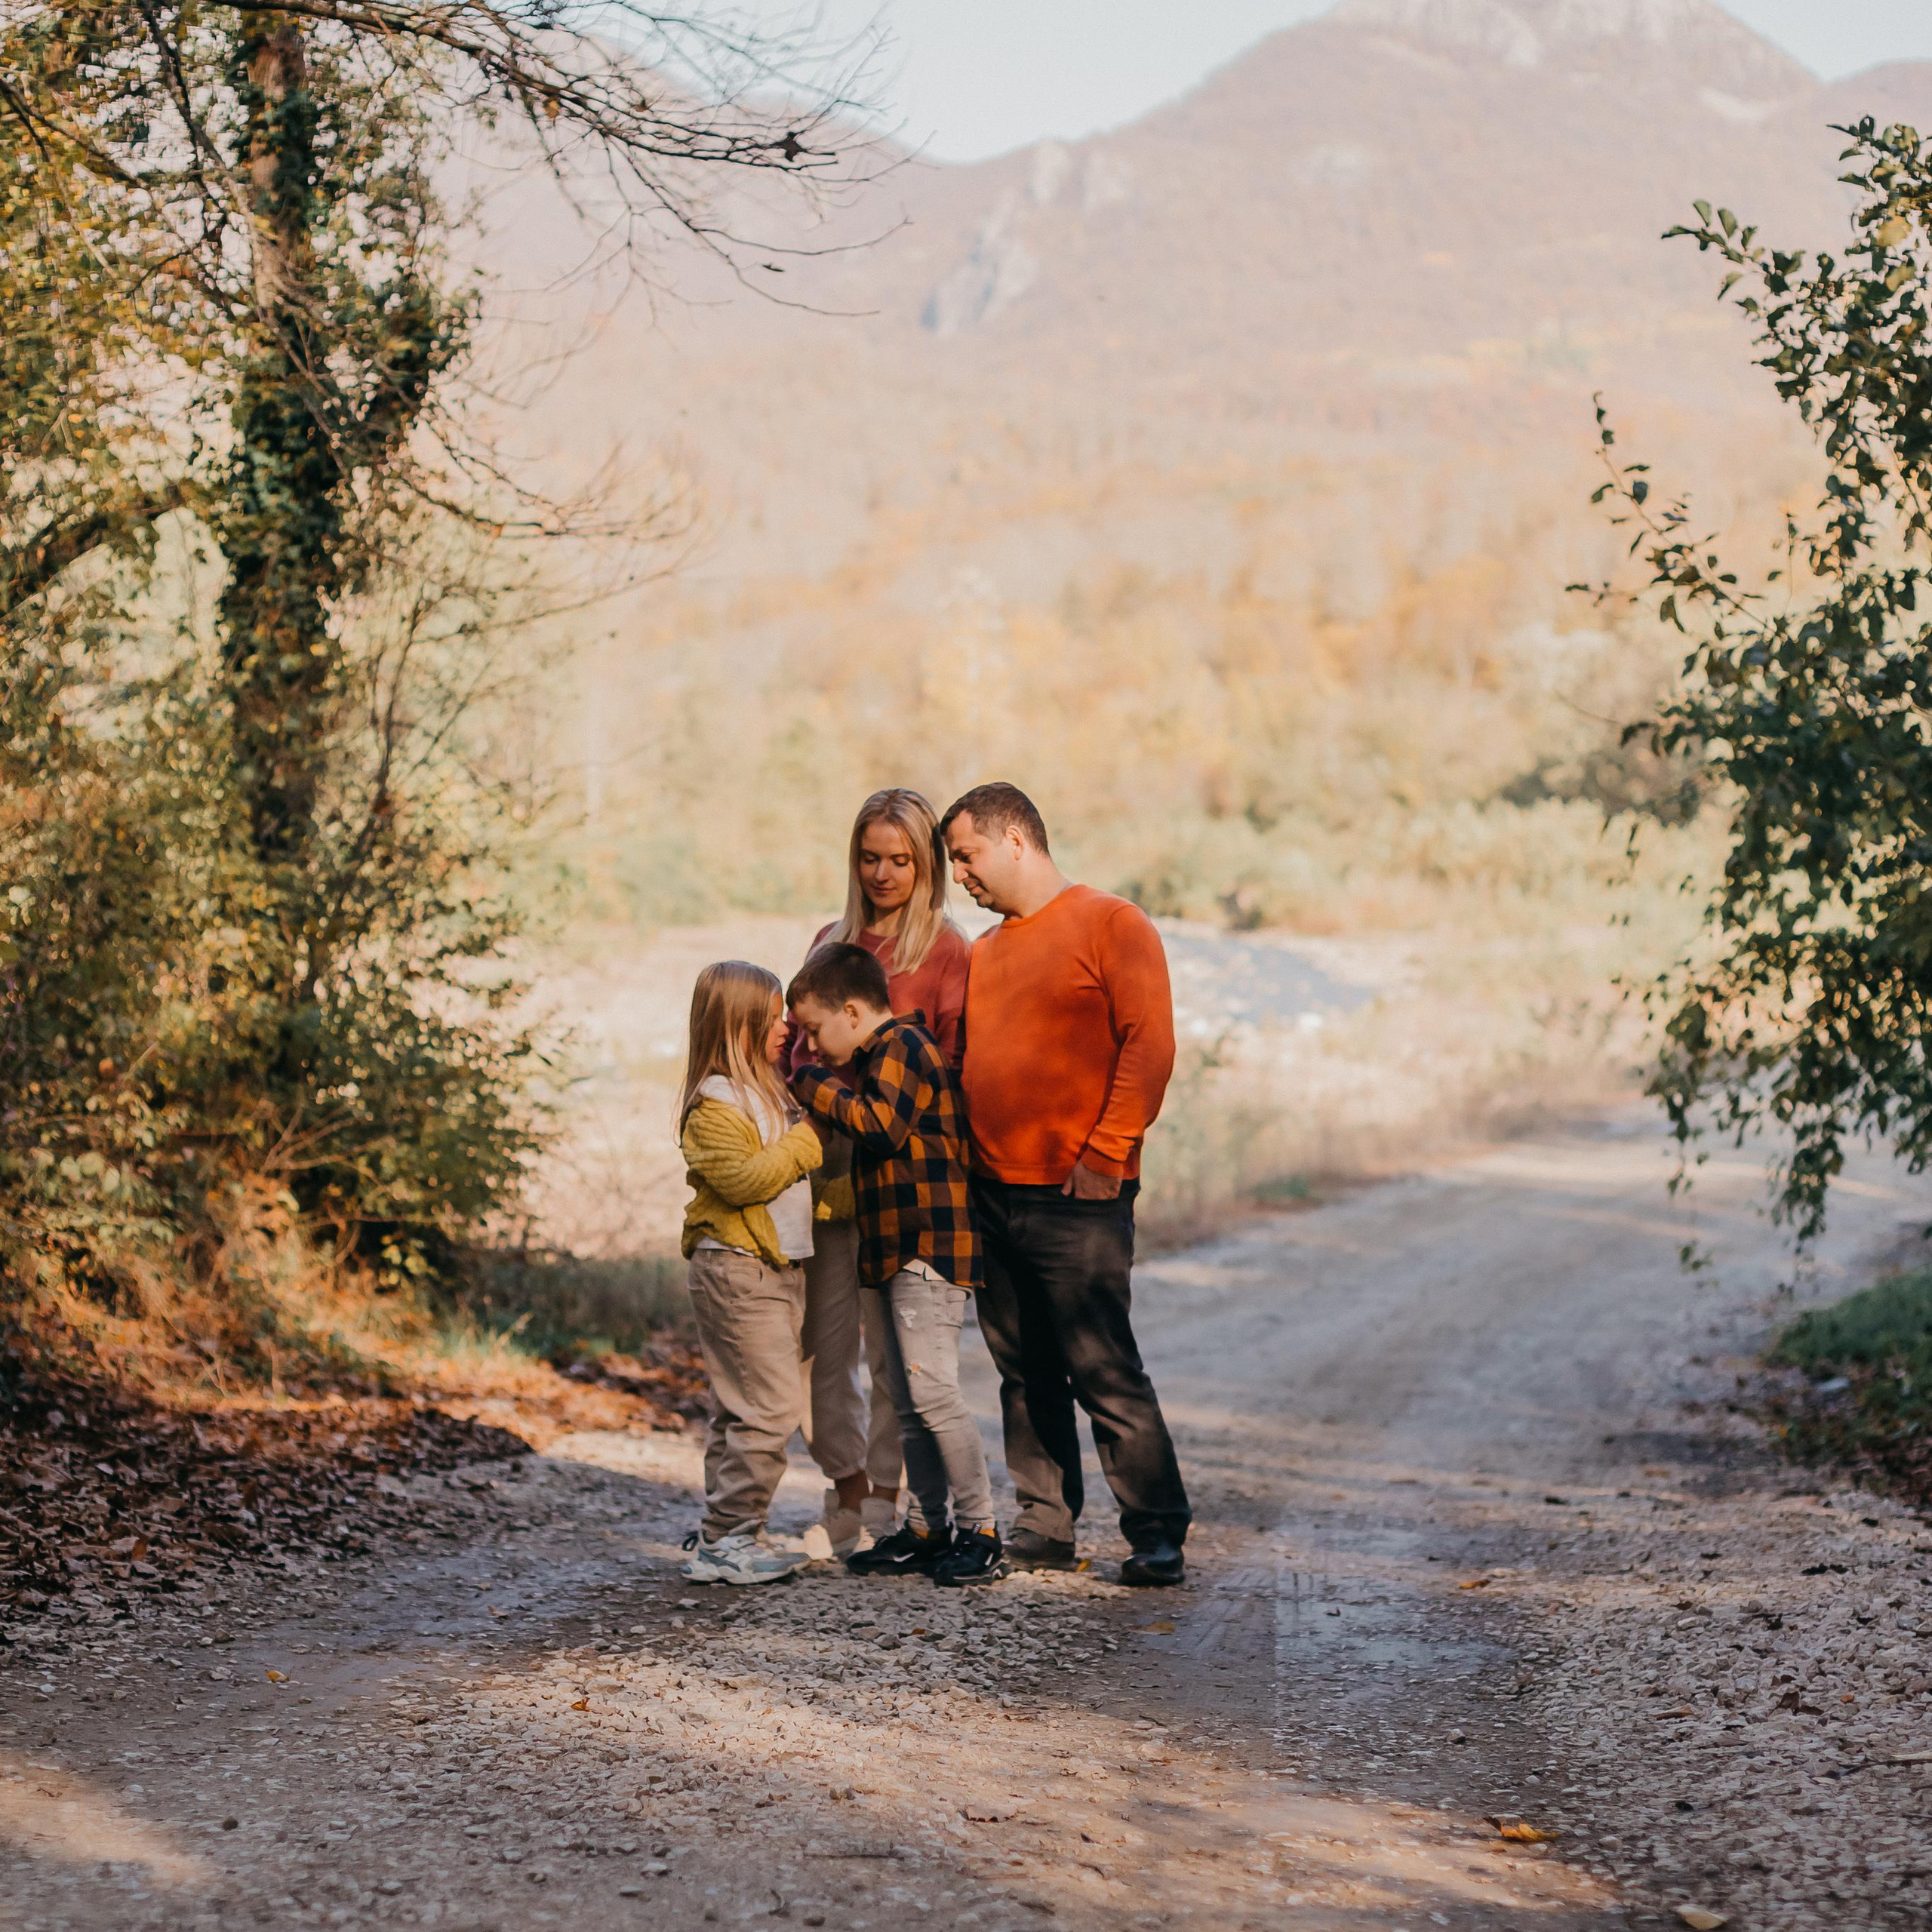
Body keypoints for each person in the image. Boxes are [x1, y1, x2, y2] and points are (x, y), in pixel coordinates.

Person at [940, 782, 1191, 1587]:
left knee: (1102, 1365)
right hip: (992, 1191)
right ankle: (1045, 1525)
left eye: (965, 855)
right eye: (952, 862)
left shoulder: (1112, 923)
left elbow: (1147, 1045)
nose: (960, 876)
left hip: (1078, 1192)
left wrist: (1105, 1152)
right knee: (1023, 1373)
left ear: (1016, 840)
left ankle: (1155, 1531)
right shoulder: (984, 953)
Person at [787, 789, 973, 1558]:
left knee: (894, 1354)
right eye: (871, 857)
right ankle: (845, 1486)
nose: (884, 872)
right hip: (830, 1173)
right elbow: (795, 1046)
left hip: (902, 1183)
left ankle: (892, 1506)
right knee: (818, 1347)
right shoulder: (831, 938)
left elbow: (957, 1065)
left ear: (926, 864)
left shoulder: (948, 948)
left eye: (901, 859)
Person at [789, 942, 1005, 1588]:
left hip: (927, 1249)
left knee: (934, 1393)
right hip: (886, 1250)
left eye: (814, 1029)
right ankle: (928, 1526)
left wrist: (812, 1083)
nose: (811, 1043)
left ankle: (983, 1530)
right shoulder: (875, 1054)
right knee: (908, 1402)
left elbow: (880, 1126)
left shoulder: (904, 1048)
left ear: (852, 1011)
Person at [675, 961, 824, 1586]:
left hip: (775, 1270)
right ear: (737, 1027)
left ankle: (732, 1532)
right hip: (737, 1271)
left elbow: (790, 1192)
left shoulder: (768, 1091)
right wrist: (805, 1142)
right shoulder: (713, 1105)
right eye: (771, 1018)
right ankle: (725, 1539)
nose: (786, 1027)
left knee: (738, 1411)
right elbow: (743, 1183)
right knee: (772, 1408)